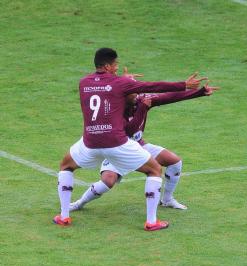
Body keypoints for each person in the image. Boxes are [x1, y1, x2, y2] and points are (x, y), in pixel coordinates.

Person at [53, 47, 207, 231]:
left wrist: (197, 92)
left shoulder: (84, 82)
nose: (117, 67)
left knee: (66, 166)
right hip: (117, 142)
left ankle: (63, 217)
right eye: (116, 64)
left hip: (90, 141)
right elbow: (152, 86)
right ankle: (151, 222)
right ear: (108, 65)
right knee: (154, 170)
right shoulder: (121, 85)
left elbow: (152, 95)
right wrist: (183, 84)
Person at [69, 84, 220, 214]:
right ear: (124, 95)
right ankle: (79, 203)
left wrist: (200, 92)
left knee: (174, 162)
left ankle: (167, 200)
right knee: (108, 181)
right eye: (134, 93)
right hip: (118, 150)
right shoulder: (114, 108)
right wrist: (142, 109)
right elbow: (127, 131)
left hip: (138, 146)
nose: (138, 95)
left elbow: (169, 96)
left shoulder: (141, 99)